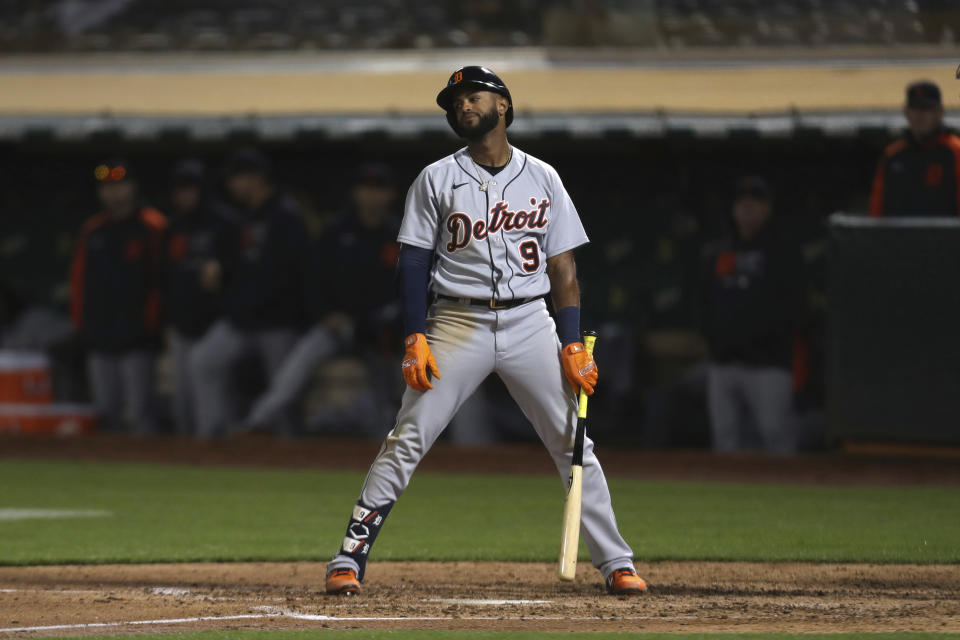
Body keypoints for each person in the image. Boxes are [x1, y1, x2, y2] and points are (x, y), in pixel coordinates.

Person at [323, 66, 647, 597]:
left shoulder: (543, 176)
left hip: (529, 320)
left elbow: (563, 269)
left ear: (504, 104)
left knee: (573, 442)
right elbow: (411, 264)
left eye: (473, 96)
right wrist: (414, 336)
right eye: (456, 102)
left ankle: (616, 561)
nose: (463, 106)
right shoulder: (436, 178)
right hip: (457, 320)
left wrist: (569, 340)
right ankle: (348, 557)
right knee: (408, 437)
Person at [244, 162, 403, 435]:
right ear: (356, 193)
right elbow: (313, 279)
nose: (371, 195)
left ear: (390, 194)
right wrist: (325, 314)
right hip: (336, 325)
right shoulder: (336, 230)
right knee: (294, 370)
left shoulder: (402, 234)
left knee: (393, 393)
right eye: (366, 189)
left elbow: (412, 290)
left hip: (381, 333)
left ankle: (394, 446)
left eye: (379, 189)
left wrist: (386, 321)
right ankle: (256, 424)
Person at [190, 148, 309, 439]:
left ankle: (293, 455)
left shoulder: (286, 216)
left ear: (255, 178)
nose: (232, 185)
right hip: (242, 321)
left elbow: (290, 274)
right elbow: (240, 266)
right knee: (203, 359)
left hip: (279, 322)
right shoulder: (245, 217)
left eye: (237, 178)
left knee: (282, 397)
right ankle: (214, 437)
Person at [700, 176, 805, 454]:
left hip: (768, 365)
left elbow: (794, 306)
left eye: (754, 203)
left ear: (767, 208)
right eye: (742, 204)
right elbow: (705, 302)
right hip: (723, 364)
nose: (747, 210)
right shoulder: (720, 251)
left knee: (777, 440)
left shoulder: (783, 251)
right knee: (725, 443)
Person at [70, 158, 166, 433]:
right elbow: (79, 281)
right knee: (105, 413)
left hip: (138, 336)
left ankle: (151, 472)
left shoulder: (153, 225)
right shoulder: (93, 229)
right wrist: (80, 326)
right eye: (107, 186)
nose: (113, 192)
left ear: (133, 187)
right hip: (99, 335)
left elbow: (162, 282)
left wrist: (152, 325)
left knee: (141, 414)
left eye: (119, 185)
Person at [163, 158, 236, 436]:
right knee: (183, 397)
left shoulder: (224, 222)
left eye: (190, 188)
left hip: (216, 322)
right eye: (180, 189)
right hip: (182, 323)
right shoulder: (173, 225)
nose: (184, 195)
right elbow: (166, 275)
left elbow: (237, 269)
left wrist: (223, 270)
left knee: (216, 393)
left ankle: (221, 452)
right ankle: (189, 458)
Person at [870, 80, 960, 217]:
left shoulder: (955, 151)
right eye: (915, 109)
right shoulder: (893, 155)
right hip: (900, 237)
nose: (920, 116)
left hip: (946, 237)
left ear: (939, 112)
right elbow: (877, 209)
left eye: (926, 109)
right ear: (906, 112)